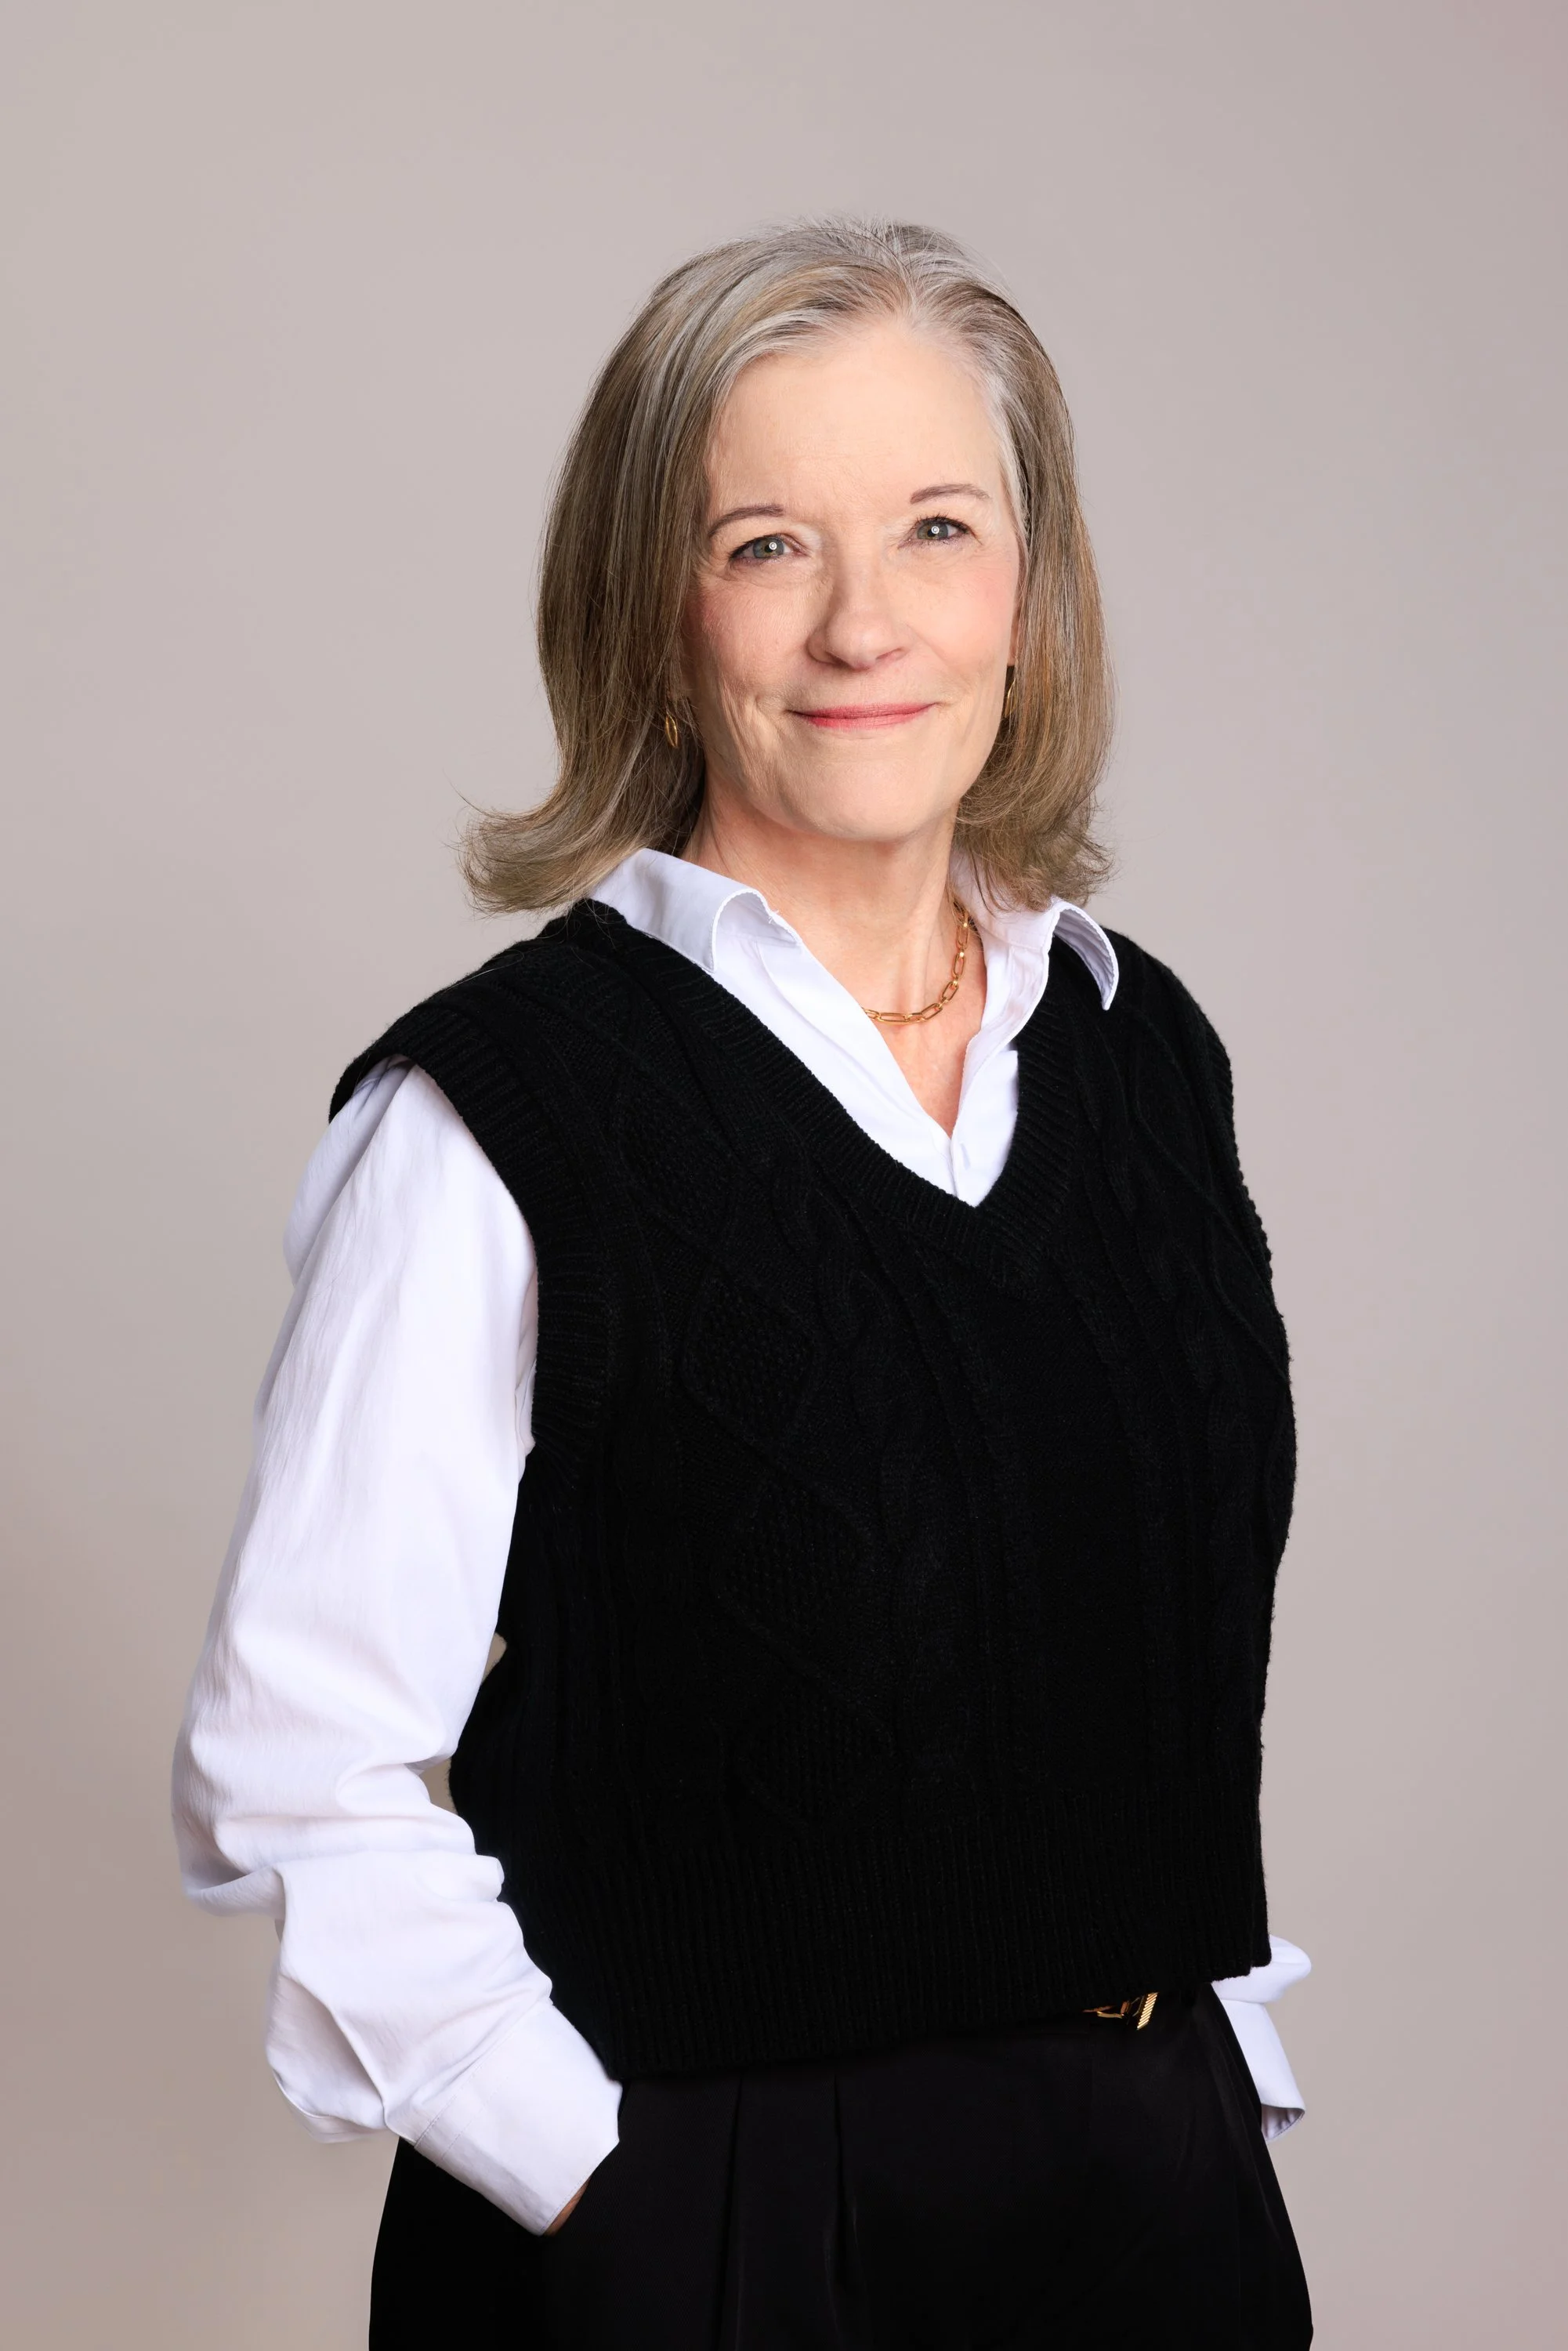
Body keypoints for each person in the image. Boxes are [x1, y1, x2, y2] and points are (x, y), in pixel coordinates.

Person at [172, 219, 1313, 2347]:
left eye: (938, 529)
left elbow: (1130, 1664)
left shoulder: (1143, 1053)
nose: (865, 622)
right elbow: (295, 1758)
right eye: (769, 544)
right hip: (712, 2231)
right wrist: (598, 2182)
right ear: (653, 613)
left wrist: (1211, 2075)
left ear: (1034, 604)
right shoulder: (502, 1113)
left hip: (1153, 2211)